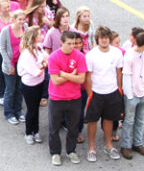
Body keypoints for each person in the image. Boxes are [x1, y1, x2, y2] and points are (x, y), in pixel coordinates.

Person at [48, 30, 87, 166]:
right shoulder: (53, 57)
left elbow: (81, 79)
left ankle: (71, 151)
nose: (72, 46)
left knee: (73, 127)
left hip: (74, 98)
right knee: (54, 127)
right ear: (62, 43)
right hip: (57, 98)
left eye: (74, 43)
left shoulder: (80, 56)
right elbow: (55, 81)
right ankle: (55, 153)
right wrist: (72, 75)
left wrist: (63, 73)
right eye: (69, 43)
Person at [84, 26, 124, 161]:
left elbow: (119, 73)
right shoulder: (91, 55)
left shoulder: (117, 53)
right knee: (92, 121)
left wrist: (119, 89)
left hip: (112, 92)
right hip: (96, 94)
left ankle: (109, 145)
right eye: (102, 38)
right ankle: (91, 148)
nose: (104, 40)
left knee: (109, 119)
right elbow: (88, 76)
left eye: (106, 37)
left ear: (109, 39)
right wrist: (90, 94)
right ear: (98, 39)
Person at [19, 25, 50, 145]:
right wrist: (43, 64)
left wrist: (42, 64)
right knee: (31, 110)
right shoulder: (27, 54)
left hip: (39, 84)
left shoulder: (39, 48)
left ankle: (35, 131)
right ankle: (28, 132)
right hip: (29, 86)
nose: (42, 36)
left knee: (36, 108)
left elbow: (47, 59)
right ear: (33, 37)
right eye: (39, 34)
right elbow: (36, 72)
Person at [121, 31, 144, 159]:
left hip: (142, 92)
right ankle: (125, 146)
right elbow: (126, 77)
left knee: (140, 120)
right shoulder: (130, 55)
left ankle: (138, 143)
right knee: (129, 121)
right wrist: (129, 96)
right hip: (132, 95)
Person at [0, 9, 26, 125]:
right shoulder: (6, 30)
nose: (22, 22)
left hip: (22, 63)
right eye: (19, 19)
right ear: (14, 19)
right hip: (10, 63)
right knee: (10, 89)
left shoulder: (25, 27)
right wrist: (9, 65)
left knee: (20, 88)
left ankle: (18, 111)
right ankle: (9, 112)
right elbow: (3, 49)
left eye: (23, 19)